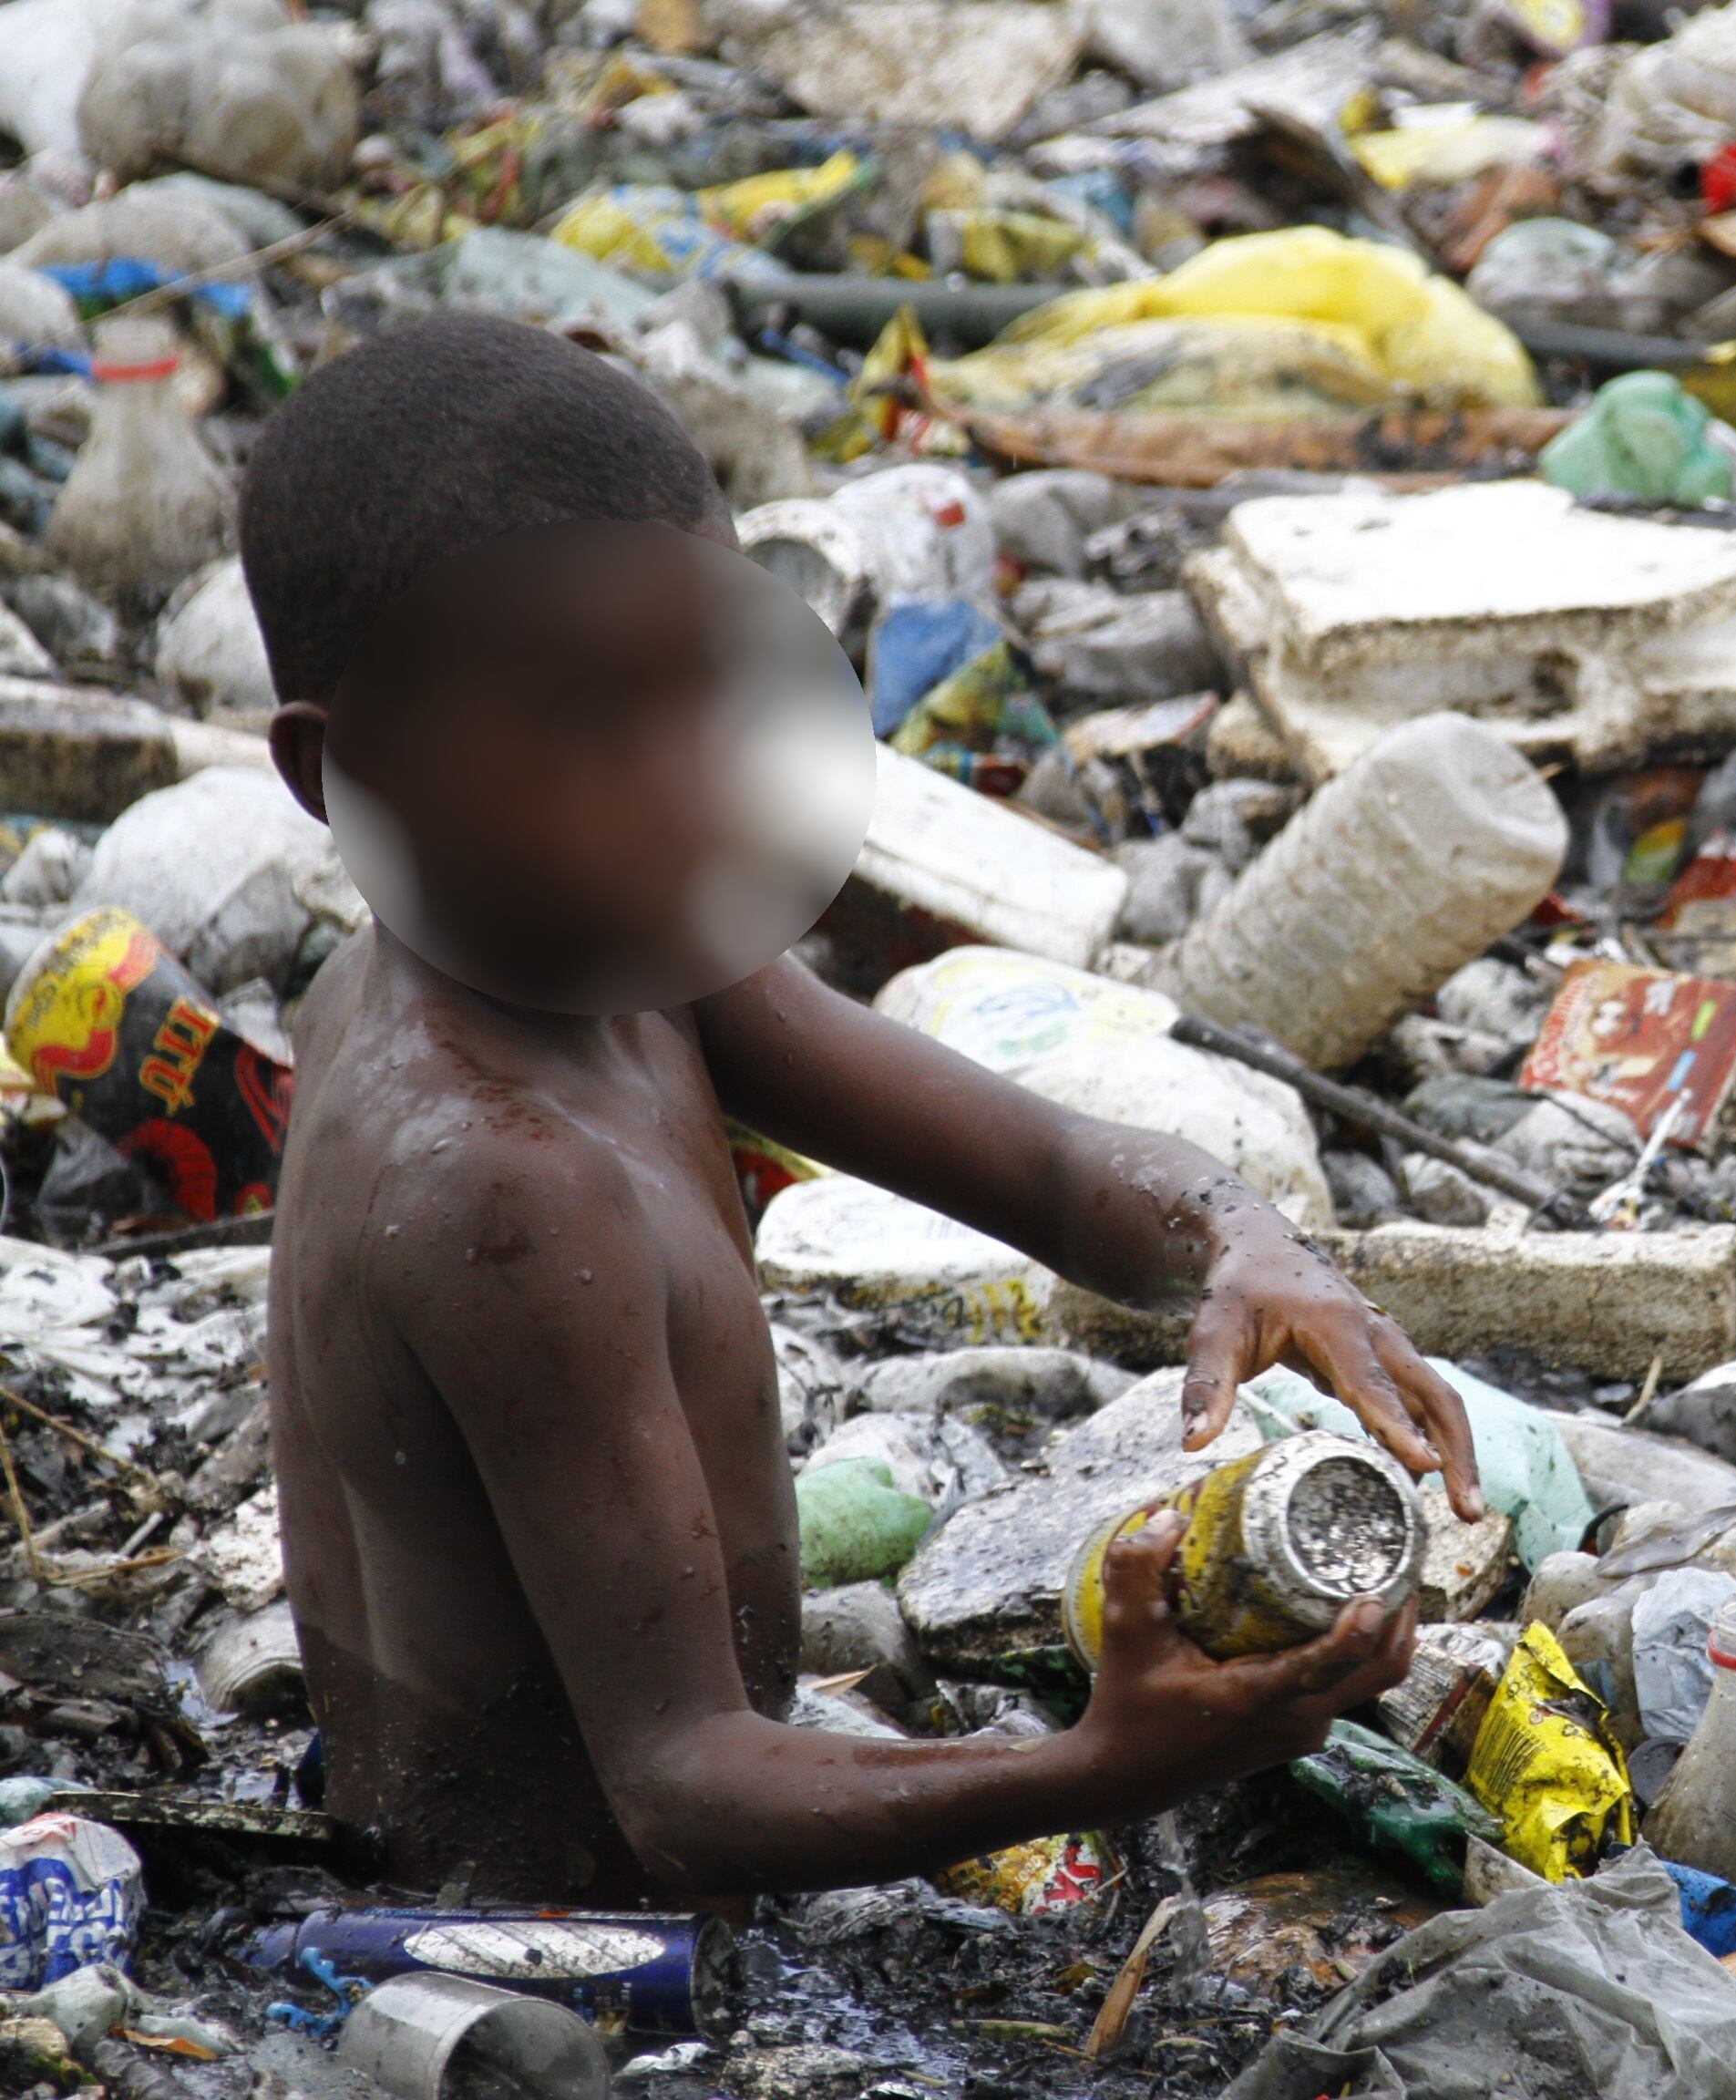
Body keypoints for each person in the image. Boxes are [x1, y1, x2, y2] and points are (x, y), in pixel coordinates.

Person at [242, 313, 1479, 1906]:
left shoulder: (614, 963)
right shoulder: (500, 1182)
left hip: (682, 1831)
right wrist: (1104, 1764)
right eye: (582, 724)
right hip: (543, 1942)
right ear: (341, 776)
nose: (683, 784)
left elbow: (1046, 1166)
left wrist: (1243, 1243)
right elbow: (684, 1788)